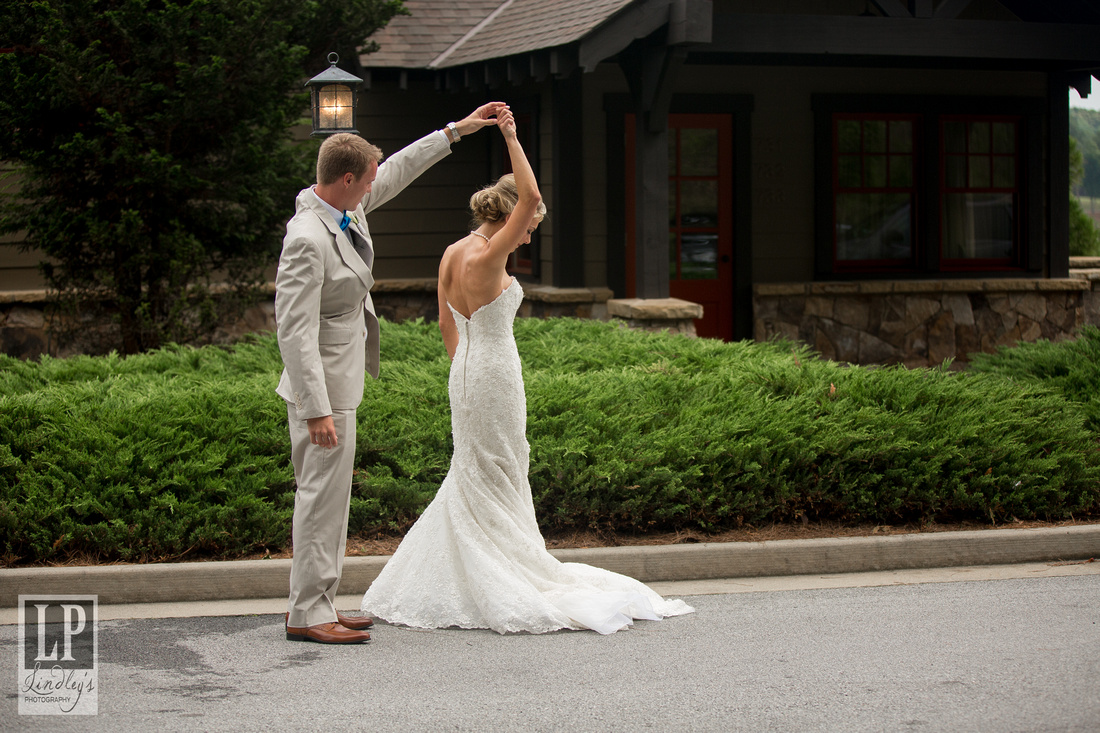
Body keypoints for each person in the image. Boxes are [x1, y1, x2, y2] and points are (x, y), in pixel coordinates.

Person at [360, 109, 695, 634]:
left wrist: (462, 367)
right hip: (494, 373)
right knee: (498, 466)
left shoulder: (452, 253)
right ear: (509, 217)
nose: (529, 237)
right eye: (528, 230)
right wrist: (512, 137)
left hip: (466, 373)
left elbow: (446, 324)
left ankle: (476, 560)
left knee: (477, 466)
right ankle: (504, 568)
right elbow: (533, 198)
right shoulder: (489, 256)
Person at [277, 102, 508, 644]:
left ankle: (321, 603)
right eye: (368, 182)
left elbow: (400, 167)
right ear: (349, 178)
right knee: (320, 499)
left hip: (342, 380)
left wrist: (457, 131)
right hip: (322, 392)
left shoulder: (346, 208)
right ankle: (307, 614)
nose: (375, 190)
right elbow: (294, 332)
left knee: (333, 498)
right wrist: (316, 410)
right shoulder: (306, 237)